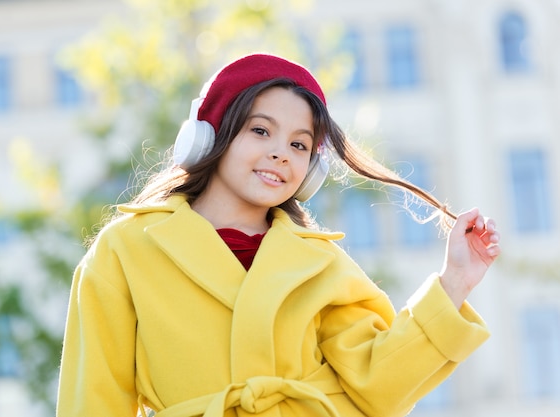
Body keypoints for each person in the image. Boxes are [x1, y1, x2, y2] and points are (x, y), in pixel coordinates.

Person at [56, 53, 501, 417]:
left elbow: (379, 385)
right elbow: (93, 399)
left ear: (312, 171)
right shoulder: (126, 250)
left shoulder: (322, 264)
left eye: (299, 145)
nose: (279, 153)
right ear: (209, 136)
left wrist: (455, 281)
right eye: (260, 130)